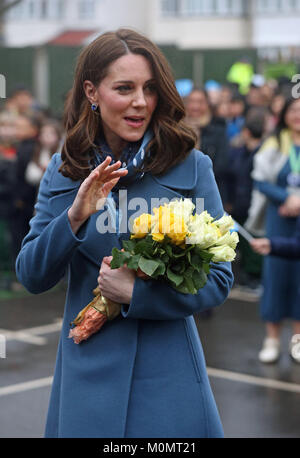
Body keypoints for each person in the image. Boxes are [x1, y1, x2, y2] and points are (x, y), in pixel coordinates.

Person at [15, 29, 233, 438]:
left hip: (170, 376)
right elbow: (31, 274)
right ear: (92, 92)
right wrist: (75, 217)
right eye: (124, 88)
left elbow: (219, 280)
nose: (140, 102)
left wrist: (138, 295)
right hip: (88, 378)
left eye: (150, 89)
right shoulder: (66, 170)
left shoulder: (191, 166)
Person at [245, 97, 300, 364]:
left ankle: (297, 341)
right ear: (284, 114)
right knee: (276, 276)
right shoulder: (274, 143)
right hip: (279, 220)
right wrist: (285, 198)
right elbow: (260, 181)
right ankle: (272, 339)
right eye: (294, 110)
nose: (298, 115)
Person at [251, 215, 300, 363]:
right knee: (274, 285)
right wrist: (272, 245)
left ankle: (297, 340)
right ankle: (272, 340)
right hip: (278, 223)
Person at [185, 88, 230, 207]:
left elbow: (223, 165)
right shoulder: (178, 129)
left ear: (207, 104)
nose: (195, 106)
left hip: (212, 194)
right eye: (192, 101)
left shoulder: (219, 129)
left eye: (200, 102)